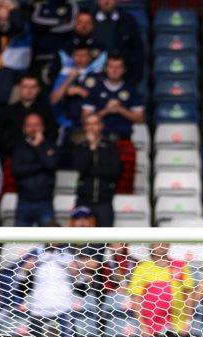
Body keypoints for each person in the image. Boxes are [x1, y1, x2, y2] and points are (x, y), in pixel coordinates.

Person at [82, 54, 145, 194]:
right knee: (99, 182)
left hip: (124, 141)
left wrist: (121, 109)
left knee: (125, 186)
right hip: (99, 142)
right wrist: (106, 110)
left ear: (124, 70)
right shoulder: (96, 89)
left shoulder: (131, 90)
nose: (114, 70)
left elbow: (140, 119)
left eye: (118, 67)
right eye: (111, 67)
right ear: (106, 68)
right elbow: (85, 118)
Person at [15, 238, 79, 337]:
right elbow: (19, 282)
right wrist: (25, 269)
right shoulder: (34, 253)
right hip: (38, 311)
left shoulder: (68, 254)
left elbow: (81, 283)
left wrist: (74, 270)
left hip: (63, 310)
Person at [72, 112, 120, 227]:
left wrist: (92, 171)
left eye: (95, 124)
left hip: (104, 200)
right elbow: (81, 168)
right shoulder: (80, 146)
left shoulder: (110, 146)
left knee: (105, 236)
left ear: (101, 126)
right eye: (88, 124)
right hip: (84, 199)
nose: (92, 127)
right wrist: (92, 147)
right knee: (80, 237)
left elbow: (115, 172)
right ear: (85, 127)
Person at [11, 113, 60, 226]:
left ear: (43, 127)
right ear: (24, 129)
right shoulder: (19, 147)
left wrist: (37, 146)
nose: (33, 129)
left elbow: (51, 164)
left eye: (36, 125)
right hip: (24, 201)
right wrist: (41, 165)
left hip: (45, 201)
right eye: (30, 125)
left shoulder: (51, 146)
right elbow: (17, 171)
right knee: (20, 237)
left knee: (49, 236)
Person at [49, 36, 100, 132]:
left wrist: (80, 91)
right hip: (67, 123)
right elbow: (53, 100)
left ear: (90, 57)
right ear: (72, 57)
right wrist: (68, 82)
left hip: (91, 124)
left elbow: (100, 98)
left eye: (83, 55)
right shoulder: (64, 74)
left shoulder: (97, 74)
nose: (80, 59)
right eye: (76, 55)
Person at [1, 74, 57, 156]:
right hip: (13, 155)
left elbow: (52, 134)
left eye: (33, 87)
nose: (29, 90)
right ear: (20, 88)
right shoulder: (9, 111)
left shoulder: (45, 111)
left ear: (38, 89)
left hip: (40, 154)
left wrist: (43, 144)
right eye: (25, 87)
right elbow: (1, 136)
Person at [91, 0, 143, 86]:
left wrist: (133, 79)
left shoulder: (128, 21)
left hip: (125, 80)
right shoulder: (87, 19)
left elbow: (138, 51)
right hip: (93, 79)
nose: (107, 1)